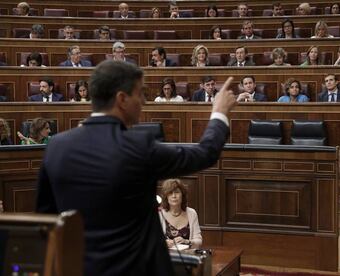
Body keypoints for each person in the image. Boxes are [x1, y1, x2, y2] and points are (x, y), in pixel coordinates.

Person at [35, 60, 236, 276]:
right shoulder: (138, 146)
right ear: (122, 99)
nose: (144, 101)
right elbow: (204, 154)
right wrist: (219, 113)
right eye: (140, 93)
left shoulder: (56, 146)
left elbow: (45, 220)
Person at [159, 179, 202, 248]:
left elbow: (199, 241)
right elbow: (152, 240)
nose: (174, 196)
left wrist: (187, 241)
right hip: (166, 256)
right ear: (166, 197)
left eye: (177, 192)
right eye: (170, 193)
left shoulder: (192, 213)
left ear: (182, 195)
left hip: (188, 256)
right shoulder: (159, 214)